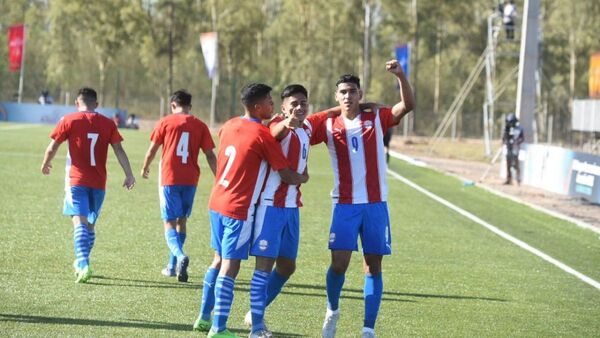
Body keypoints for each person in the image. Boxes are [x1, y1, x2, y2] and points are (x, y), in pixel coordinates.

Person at [193, 83, 308, 338]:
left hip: (216, 202)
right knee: (230, 266)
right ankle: (219, 328)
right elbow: (286, 175)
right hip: (239, 207)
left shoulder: (228, 125)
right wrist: (303, 177)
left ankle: (203, 317)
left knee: (218, 259)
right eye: (268, 101)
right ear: (258, 106)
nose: (271, 104)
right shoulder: (262, 134)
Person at [311, 60, 414, 338]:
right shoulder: (329, 125)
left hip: (376, 205)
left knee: (373, 266)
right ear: (336, 96)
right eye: (343, 92)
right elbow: (304, 126)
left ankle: (368, 329)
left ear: (360, 94)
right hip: (344, 205)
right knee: (339, 265)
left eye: (352, 91)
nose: (347, 96)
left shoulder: (376, 118)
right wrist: (334, 110)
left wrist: (401, 75)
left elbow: (407, 105)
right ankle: (332, 310)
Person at [40, 87, 136, 283]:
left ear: (77, 103)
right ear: (97, 104)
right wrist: (129, 174)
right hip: (99, 183)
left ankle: (83, 263)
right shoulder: (108, 123)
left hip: (76, 180)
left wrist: (46, 162)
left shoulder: (68, 120)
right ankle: (83, 260)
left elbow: (52, 147)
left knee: (79, 222)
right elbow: (119, 149)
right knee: (90, 225)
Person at [141, 90, 217, 282]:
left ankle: (180, 256)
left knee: (169, 222)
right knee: (182, 221)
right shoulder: (200, 125)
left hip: (169, 178)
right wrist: (219, 177)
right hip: (190, 179)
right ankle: (172, 266)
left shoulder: (166, 122)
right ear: (190, 107)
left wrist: (145, 167)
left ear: (173, 105)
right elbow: (209, 155)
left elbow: (152, 149)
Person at [502, 113, 524, 185]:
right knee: (508, 164)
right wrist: (507, 141)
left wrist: (516, 142)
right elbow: (504, 138)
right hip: (508, 148)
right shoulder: (506, 129)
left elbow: (522, 138)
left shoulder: (519, 129)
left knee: (516, 164)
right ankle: (509, 179)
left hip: (515, 149)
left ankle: (518, 180)